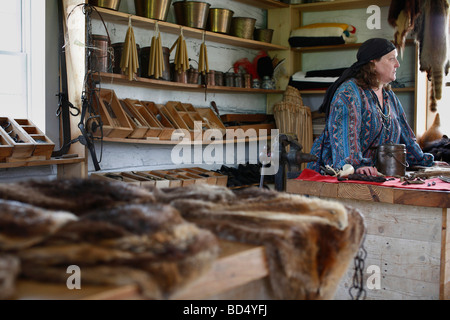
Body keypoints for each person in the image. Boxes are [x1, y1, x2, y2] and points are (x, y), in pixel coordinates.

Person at [307, 37, 443, 176]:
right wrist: (356, 166)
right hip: (332, 176)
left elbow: (406, 138)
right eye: (391, 59)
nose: (397, 64)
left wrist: (427, 161)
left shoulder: (389, 96)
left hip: (372, 176)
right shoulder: (349, 94)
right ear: (373, 62)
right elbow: (345, 139)